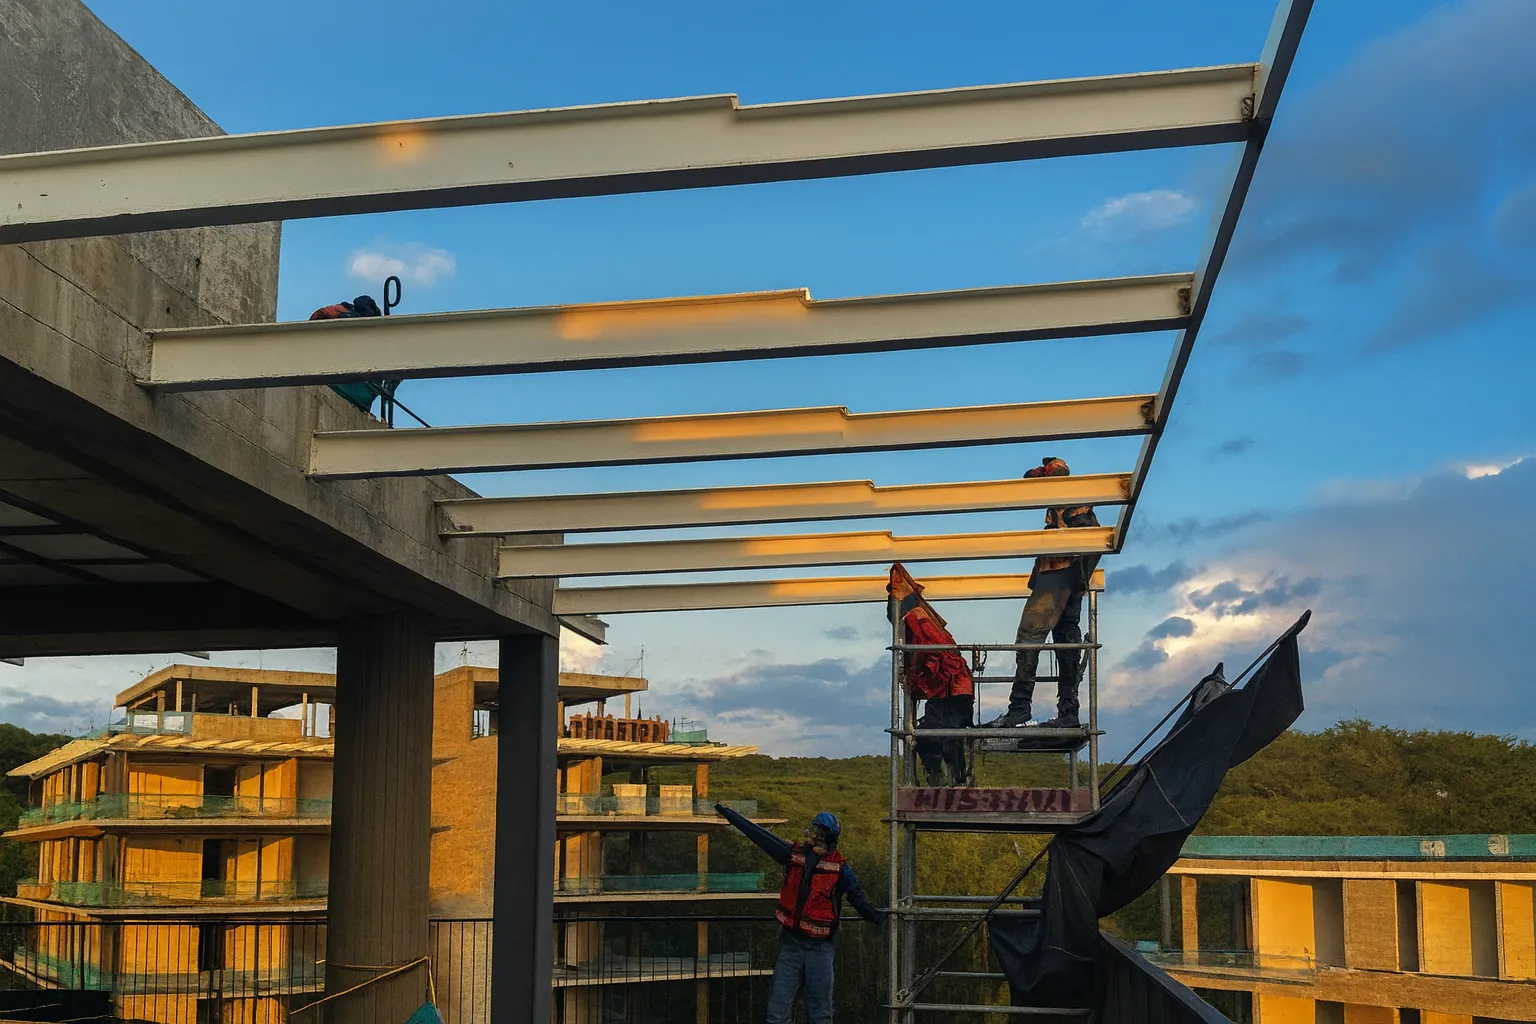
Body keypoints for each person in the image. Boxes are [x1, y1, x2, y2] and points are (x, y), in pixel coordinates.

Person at [716, 804, 885, 1024]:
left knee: (819, 1013)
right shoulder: (794, 856)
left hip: (820, 947)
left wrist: (878, 917)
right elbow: (759, 835)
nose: (818, 838)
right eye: (817, 832)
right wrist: (727, 813)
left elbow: (858, 898)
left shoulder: (839, 869)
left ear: (831, 839)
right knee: (777, 1012)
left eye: (823, 834)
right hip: (791, 943)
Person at [987, 456, 1101, 729]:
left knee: (1029, 635)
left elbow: (1092, 541)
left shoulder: (1074, 509)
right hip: (1065, 577)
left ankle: (1020, 707)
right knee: (1066, 641)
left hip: (1059, 575)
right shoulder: (1064, 510)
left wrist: (1065, 569)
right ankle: (1068, 712)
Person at [889, 562, 974, 786]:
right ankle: (946, 778)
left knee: (945, 735)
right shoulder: (917, 620)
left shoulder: (917, 619)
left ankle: (953, 780)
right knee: (936, 734)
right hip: (947, 686)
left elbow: (935, 654)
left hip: (951, 686)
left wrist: (919, 677)